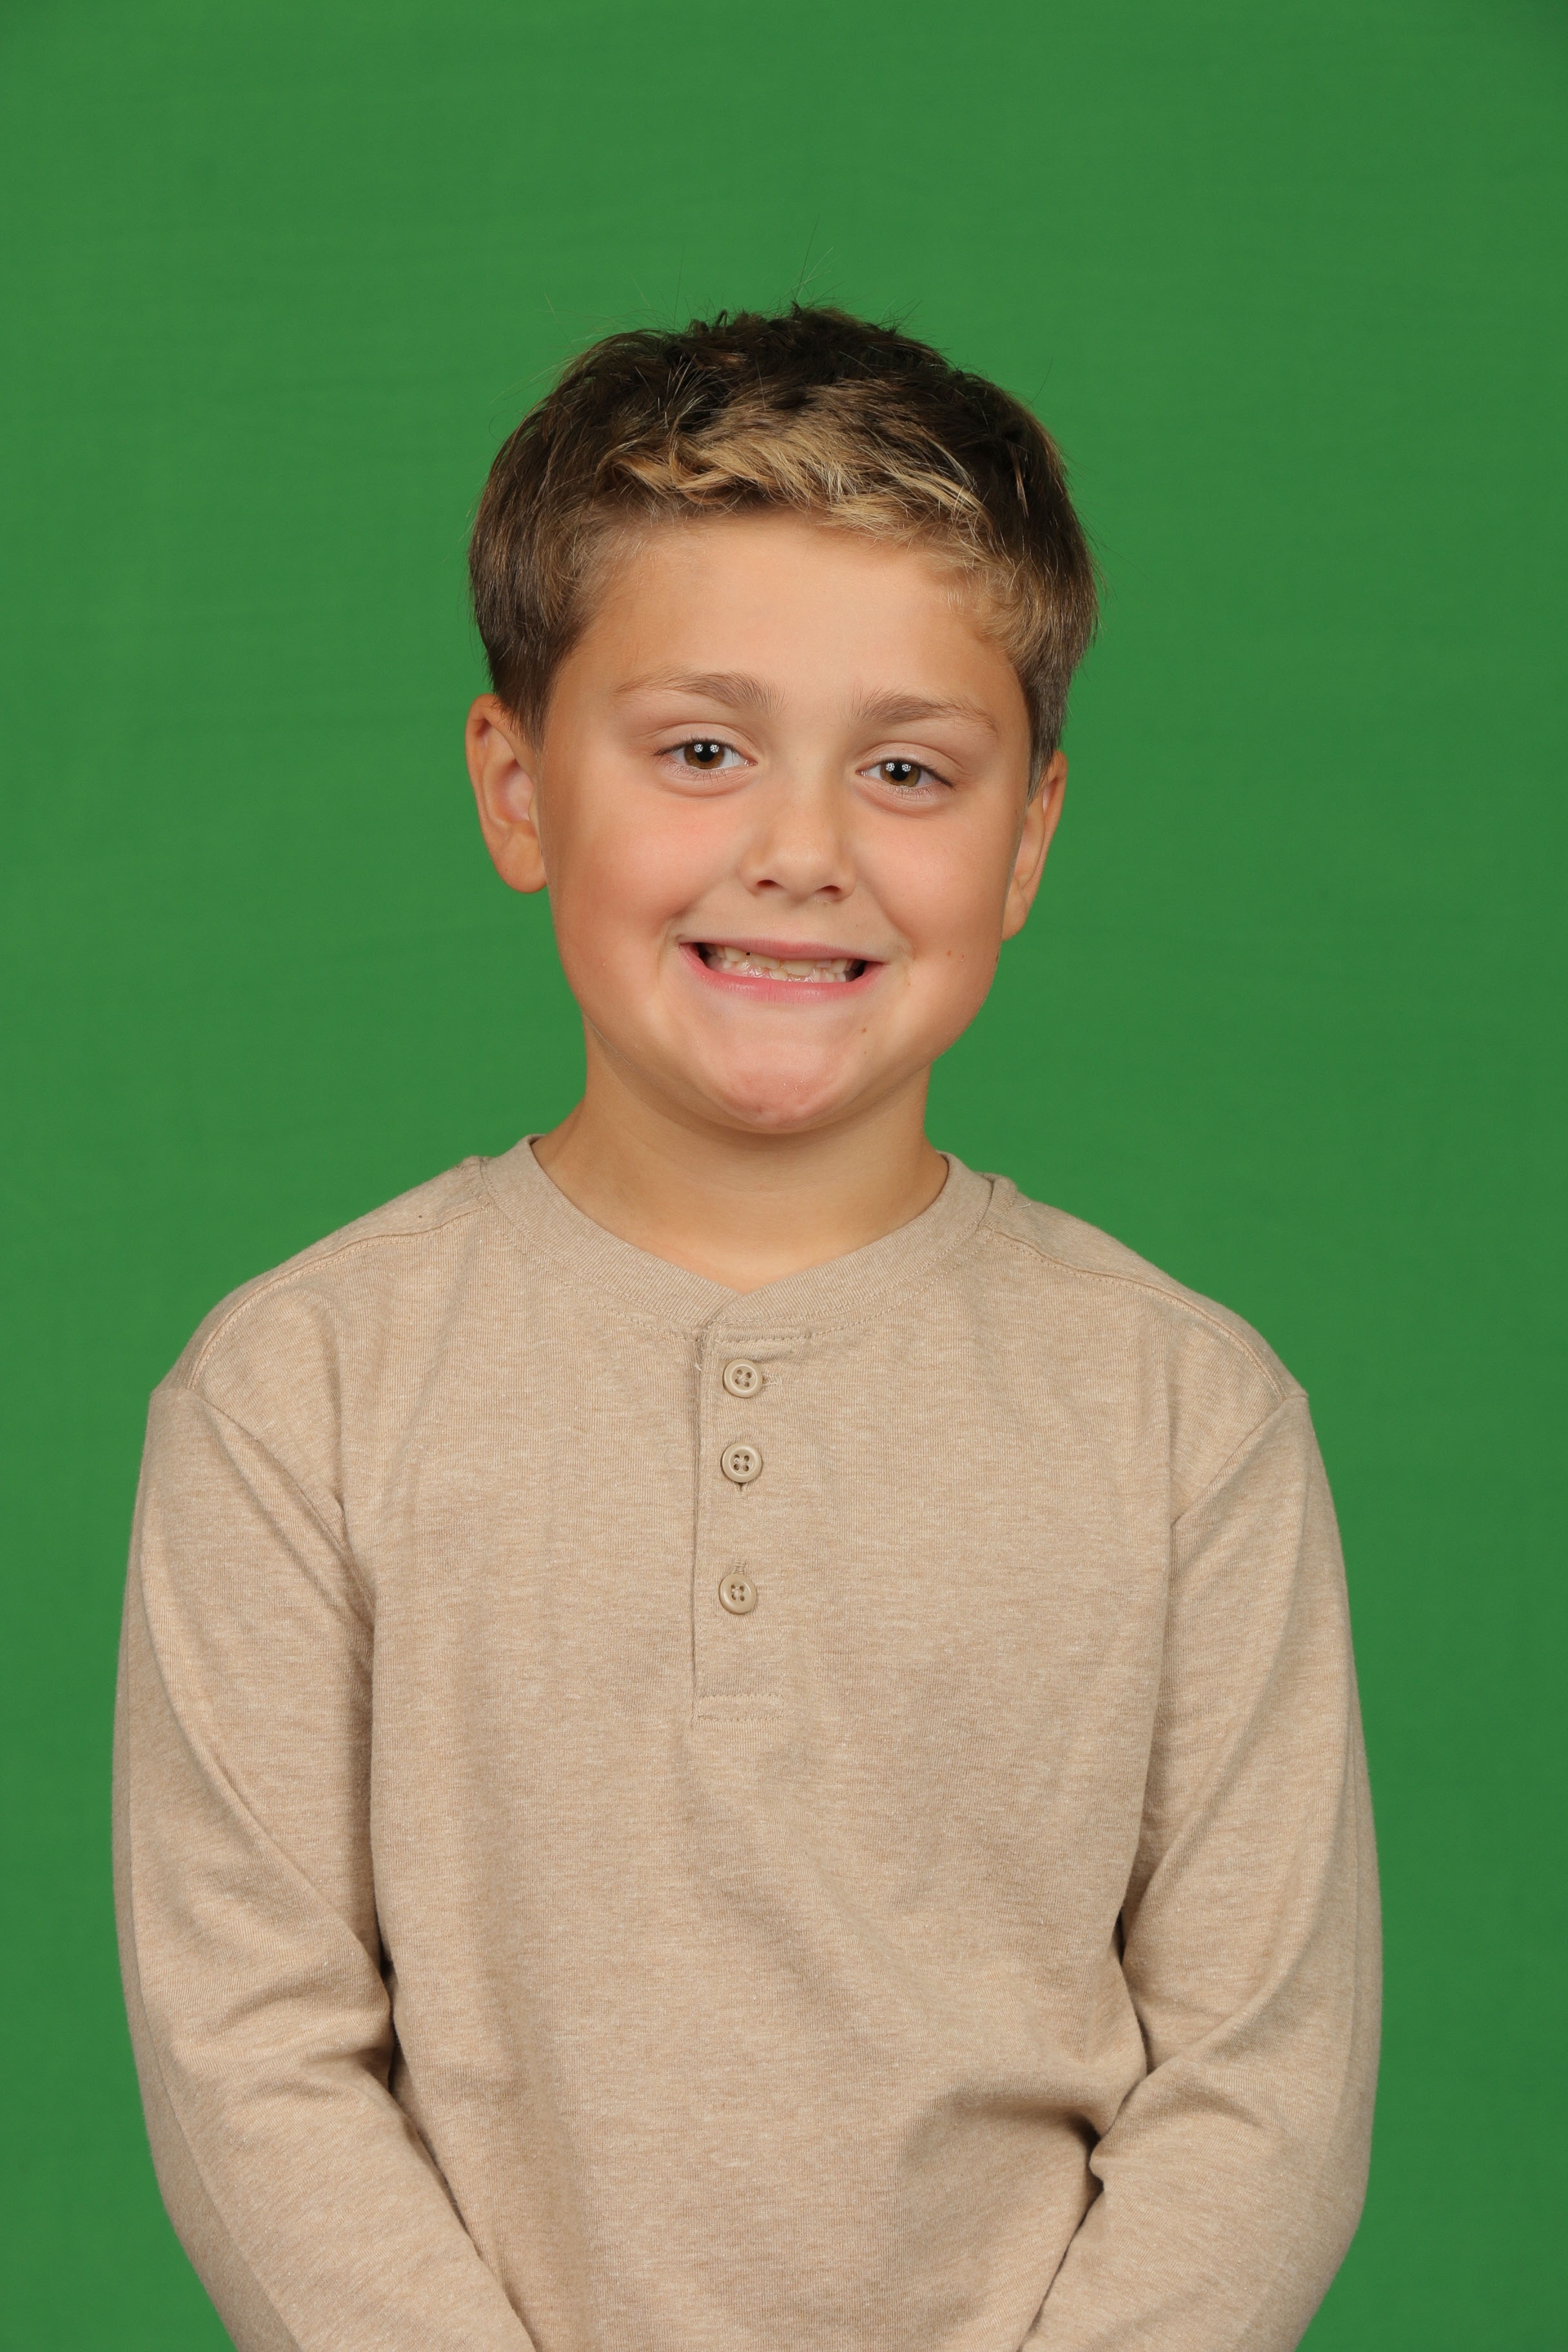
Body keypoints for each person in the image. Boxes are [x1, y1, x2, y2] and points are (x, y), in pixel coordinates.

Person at [113, 306, 1379, 2352]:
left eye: (908, 769)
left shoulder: (1189, 1416)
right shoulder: (295, 1395)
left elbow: (1268, 2088)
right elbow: (251, 2060)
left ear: (1029, 838)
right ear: (518, 789)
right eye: (702, 750)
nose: (803, 852)